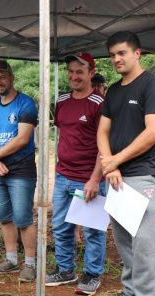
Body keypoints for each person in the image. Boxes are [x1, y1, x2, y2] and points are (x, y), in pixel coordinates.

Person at [97, 31, 155, 295]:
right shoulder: (114, 90)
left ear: (137, 53)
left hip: (141, 174)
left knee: (143, 244)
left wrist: (115, 160)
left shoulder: (153, 85)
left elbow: (152, 133)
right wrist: (111, 165)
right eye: (113, 54)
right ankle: (129, 291)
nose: (116, 59)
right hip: (116, 175)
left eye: (122, 53)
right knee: (123, 240)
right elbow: (102, 132)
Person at [46, 52, 106, 294]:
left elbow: (105, 144)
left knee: (92, 229)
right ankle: (65, 269)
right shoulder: (61, 100)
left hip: (88, 178)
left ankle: (92, 274)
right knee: (60, 226)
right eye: (71, 71)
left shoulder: (100, 103)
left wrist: (95, 178)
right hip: (63, 175)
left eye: (79, 72)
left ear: (91, 73)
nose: (74, 76)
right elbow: (63, 133)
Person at [0, 60, 39, 282]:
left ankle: (31, 264)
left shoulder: (25, 104)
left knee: (23, 219)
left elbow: (22, 139)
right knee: (5, 217)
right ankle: (11, 259)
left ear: (11, 77)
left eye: (2, 77)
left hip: (21, 169)